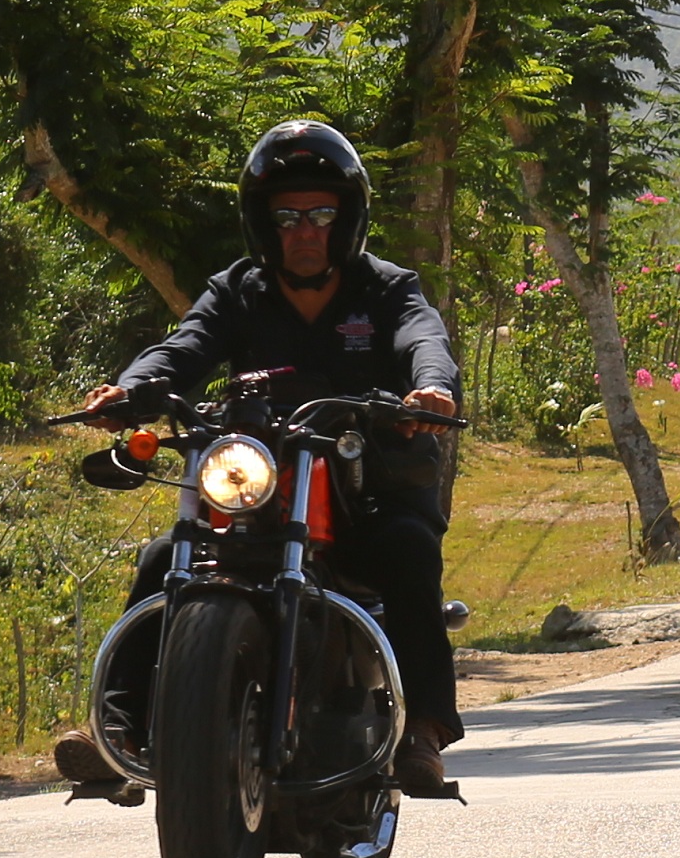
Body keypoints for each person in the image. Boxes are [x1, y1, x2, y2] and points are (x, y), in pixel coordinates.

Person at [52, 121, 463, 797]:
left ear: (347, 219)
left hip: (365, 485)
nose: (305, 231)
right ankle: (116, 731)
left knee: (408, 549)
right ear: (263, 223)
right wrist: (132, 390)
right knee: (164, 556)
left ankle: (422, 727)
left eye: (321, 214)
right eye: (287, 216)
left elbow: (425, 340)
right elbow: (183, 348)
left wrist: (431, 389)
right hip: (264, 480)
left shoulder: (387, 289)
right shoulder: (237, 289)